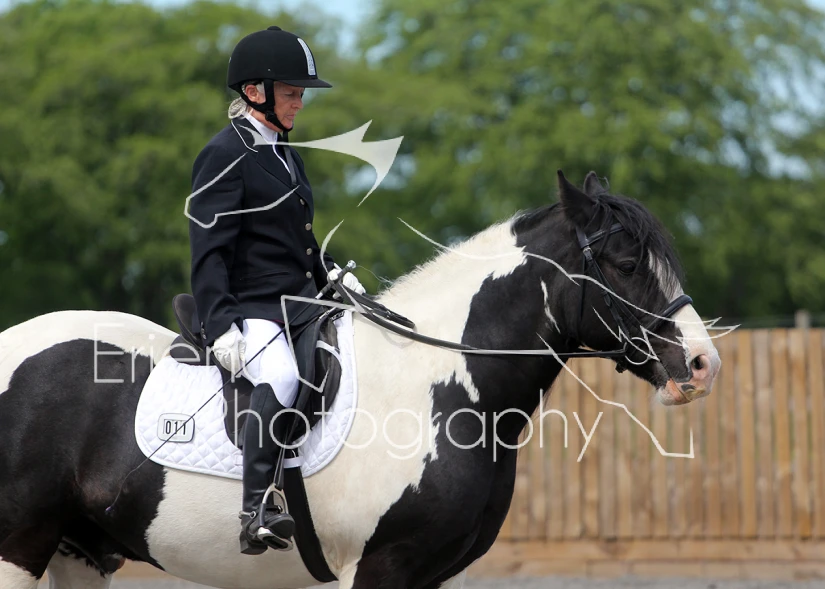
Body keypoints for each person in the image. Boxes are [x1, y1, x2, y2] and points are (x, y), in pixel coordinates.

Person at [187, 25, 365, 555]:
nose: (299, 103)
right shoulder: (225, 153)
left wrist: (331, 274)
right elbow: (209, 250)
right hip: (254, 306)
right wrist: (221, 324)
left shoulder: (285, 152)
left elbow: (296, 239)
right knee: (282, 375)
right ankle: (256, 508)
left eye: (300, 93)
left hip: (300, 301)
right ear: (254, 91)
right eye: (290, 92)